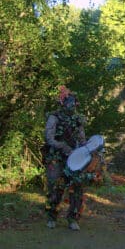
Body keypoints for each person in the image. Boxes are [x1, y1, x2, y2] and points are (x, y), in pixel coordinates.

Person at [43, 86, 87, 231]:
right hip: (57, 156)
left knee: (77, 188)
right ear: (63, 103)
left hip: (74, 157)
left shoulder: (77, 119)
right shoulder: (54, 117)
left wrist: (87, 148)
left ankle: (73, 218)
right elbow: (49, 138)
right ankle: (52, 216)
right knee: (55, 186)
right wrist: (62, 146)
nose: (72, 105)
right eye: (70, 102)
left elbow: (82, 139)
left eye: (74, 103)